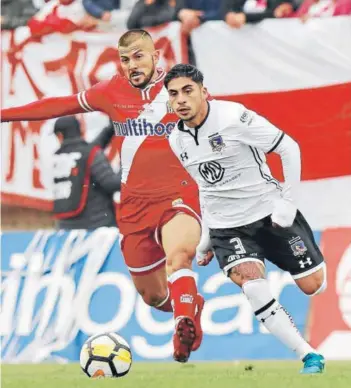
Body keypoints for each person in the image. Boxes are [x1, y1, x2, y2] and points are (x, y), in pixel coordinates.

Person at [1, 30, 205, 363]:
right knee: (152, 296)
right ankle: (188, 306)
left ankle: (182, 321)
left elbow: (217, 128)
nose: (132, 65)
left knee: (178, 256)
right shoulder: (111, 91)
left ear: (156, 55)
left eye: (139, 56)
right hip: (135, 206)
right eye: (125, 59)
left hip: (178, 195)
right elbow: (56, 106)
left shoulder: (179, 88)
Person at [164, 64, 327, 374]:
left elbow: (289, 148)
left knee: (313, 285)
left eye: (187, 91)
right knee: (253, 286)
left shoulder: (233, 117)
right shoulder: (177, 140)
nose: (181, 99)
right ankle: (308, 355)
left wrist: (289, 205)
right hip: (228, 228)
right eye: (174, 94)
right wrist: (205, 240)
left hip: (270, 214)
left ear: (203, 91)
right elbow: (206, 189)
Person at [52, 116, 121, 230]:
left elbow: (87, 151)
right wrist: (128, 160)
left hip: (65, 232)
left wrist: (111, 128)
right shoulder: (91, 154)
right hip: (98, 230)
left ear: (60, 136)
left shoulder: (56, 158)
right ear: (80, 131)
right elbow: (113, 184)